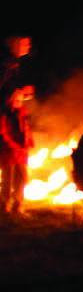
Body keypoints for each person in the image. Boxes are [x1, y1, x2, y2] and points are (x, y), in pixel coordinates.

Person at [1, 85, 33, 219]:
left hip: (21, 152)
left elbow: (25, 128)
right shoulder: (3, 114)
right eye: (16, 100)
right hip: (8, 151)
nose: (19, 102)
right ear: (9, 100)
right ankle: (5, 206)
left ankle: (18, 204)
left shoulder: (21, 113)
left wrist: (29, 140)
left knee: (23, 178)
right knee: (8, 179)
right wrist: (12, 145)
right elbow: (2, 132)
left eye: (20, 100)